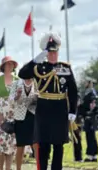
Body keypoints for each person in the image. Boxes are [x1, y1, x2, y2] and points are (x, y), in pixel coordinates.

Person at [18, 32, 78, 170]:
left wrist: (73, 111)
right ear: (45, 53)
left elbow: (73, 91)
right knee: (43, 145)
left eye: (55, 52)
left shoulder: (65, 68)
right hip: (43, 109)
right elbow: (22, 74)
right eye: (49, 52)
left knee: (58, 145)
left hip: (60, 109)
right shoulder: (39, 67)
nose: (53, 55)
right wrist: (35, 60)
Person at [0, 56, 19, 170]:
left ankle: (8, 168)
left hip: (14, 116)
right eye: (7, 64)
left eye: (11, 64)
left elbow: (21, 98)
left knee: (11, 147)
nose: (9, 66)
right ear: (3, 66)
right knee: (0, 147)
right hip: (0, 117)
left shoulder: (18, 80)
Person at [9, 77, 38, 170]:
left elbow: (41, 96)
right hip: (20, 118)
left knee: (36, 145)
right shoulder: (16, 83)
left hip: (33, 117)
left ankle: (40, 167)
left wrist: (37, 97)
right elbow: (10, 99)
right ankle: (18, 168)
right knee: (20, 146)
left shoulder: (36, 83)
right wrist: (16, 96)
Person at [82, 77, 98, 162]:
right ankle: (93, 154)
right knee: (90, 136)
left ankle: (91, 155)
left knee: (90, 136)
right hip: (87, 116)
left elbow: (93, 104)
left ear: (89, 83)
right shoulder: (88, 92)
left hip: (90, 116)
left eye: (86, 82)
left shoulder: (91, 92)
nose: (84, 83)